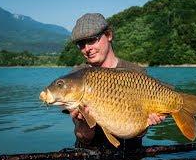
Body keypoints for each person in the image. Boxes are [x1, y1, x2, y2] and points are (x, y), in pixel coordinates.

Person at [66, 13, 166, 150]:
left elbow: (138, 134)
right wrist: (82, 122)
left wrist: (147, 124)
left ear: (108, 35)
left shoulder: (136, 72)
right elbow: (83, 137)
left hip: (130, 152)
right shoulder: (77, 77)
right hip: (89, 153)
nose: (87, 48)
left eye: (92, 40)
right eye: (81, 44)